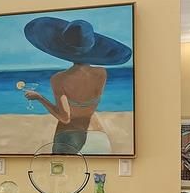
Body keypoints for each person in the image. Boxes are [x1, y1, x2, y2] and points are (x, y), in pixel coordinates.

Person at [21, 16, 132, 153]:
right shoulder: (101, 73)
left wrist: (39, 98)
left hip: (69, 138)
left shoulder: (59, 79)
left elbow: (65, 118)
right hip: (99, 136)